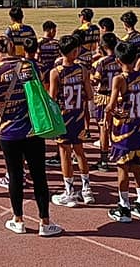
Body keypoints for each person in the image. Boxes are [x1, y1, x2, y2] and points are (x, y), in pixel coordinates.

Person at [0, 36, 63, 237]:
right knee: (39, 176)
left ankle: (18, 219)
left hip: (9, 131)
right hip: (33, 128)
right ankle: (45, 221)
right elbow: (42, 91)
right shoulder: (30, 66)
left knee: (15, 175)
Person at [106, 41, 140, 223]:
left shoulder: (119, 79)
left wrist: (115, 108)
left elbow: (111, 105)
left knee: (122, 168)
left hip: (123, 130)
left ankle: (124, 206)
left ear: (118, 61)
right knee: (137, 166)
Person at [49, 35, 95, 208]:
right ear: (75, 52)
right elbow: (89, 94)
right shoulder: (82, 70)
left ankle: (69, 191)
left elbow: (53, 97)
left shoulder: (56, 72)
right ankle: (86, 188)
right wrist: (91, 114)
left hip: (63, 118)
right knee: (80, 152)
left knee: (65, 154)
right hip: (78, 117)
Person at [91, 32, 121, 172]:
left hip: (103, 97)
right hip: (118, 98)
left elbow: (96, 79)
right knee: (116, 126)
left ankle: (104, 159)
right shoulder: (120, 60)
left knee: (103, 127)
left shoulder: (101, 62)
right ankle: (117, 153)